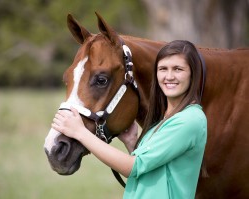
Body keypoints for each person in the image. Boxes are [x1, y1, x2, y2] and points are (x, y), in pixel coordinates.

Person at [52, 40, 207, 199]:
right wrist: (132, 143)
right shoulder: (166, 120)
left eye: (178, 69)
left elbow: (134, 167)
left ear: (193, 73)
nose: (169, 76)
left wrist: (81, 133)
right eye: (162, 69)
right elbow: (150, 172)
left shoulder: (189, 120)